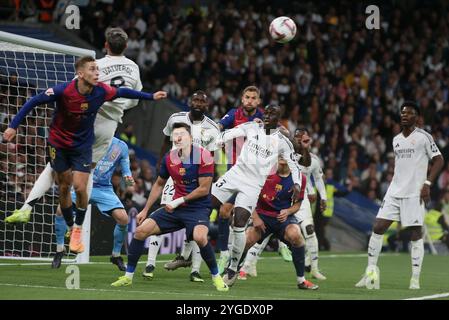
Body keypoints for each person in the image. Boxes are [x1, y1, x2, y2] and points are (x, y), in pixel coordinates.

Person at [3, 56, 167, 254]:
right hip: (59, 145)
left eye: (98, 69)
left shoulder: (101, 91)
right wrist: (13, 126)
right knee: (63, 187)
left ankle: (77, 230)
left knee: (80, 188)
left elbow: (123, 91)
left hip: (82, 147)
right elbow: (34, 101)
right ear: (80, 74)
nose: (97, 73)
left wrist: (150, 96)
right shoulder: (63, 90)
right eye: (92, 69)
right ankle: (66, 225)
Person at [110, 123, 228, 292]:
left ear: (190, 137)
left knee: (200, 237)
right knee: (140, 231)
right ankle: (128, 277)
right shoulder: (169, 157)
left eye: (182, 134)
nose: (178, 137)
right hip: (175, 209)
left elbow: (204, 189)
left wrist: (178, 201)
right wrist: (145, 209)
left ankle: (216, 278)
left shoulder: (204, 156)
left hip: (198, 208)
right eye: (175, 135)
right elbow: (159, 184)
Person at [355, 101, 444, 290]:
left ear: (417, 118)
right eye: (403, 113)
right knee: (378, 226)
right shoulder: (395, 139)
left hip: (414, 193)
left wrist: (427, 183)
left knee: (415, 233)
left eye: (409, 113)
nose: (405, 115)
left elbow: (439, 160)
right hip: (394, 191)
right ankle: (370, 272)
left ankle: (415, 279)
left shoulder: (424, 137)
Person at [211, 104, 303, 287]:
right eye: (266, 112)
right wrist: (217, 141)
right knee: (206, 203)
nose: (268, 115)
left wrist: (298, 184)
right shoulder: (251, 126)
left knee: (239, 223)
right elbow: (227, 134)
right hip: (235, 174)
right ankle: (191, 248)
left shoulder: (282, 141)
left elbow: (294, 165)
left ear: (279, 119)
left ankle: (233, 268)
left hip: (253, 185)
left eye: (273, 114)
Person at [145, 91, 221, 282]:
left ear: (207, 105)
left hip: (197, 179)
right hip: (174, 173)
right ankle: (150, 263)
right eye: (195, 100)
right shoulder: (175, 118)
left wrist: (209, 179)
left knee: (197, 222)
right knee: (163, 211)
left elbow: (210, 157)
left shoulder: (212, 128)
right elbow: (165, 141)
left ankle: (194, 269)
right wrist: (160, 162)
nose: (198, 103)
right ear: (190, 101)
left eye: (202, 101)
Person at [52, 137, 134, 270]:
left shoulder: (121, 146)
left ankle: (116, 255)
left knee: (123, 218)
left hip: (104, 189)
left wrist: (128, 177)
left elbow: (126, 169)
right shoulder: (89, 138)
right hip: (82, 184)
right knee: (60, 210)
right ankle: (60, 250)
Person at [239, 157, 318, 290]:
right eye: (279, 153)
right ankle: (231, 272)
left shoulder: (299, 178)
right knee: (245, 240)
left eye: (285, 153)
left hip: (283, 219)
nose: (282, 156)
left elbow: (298, 203)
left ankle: (301, 280)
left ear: (292, 156)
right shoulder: (263, 172)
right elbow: (249, 196)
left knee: (296, 236)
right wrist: (256, 217)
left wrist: (288, 211)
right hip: (263, 216)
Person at [215, 85, 264, 273]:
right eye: (247, 97)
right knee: (224, 212)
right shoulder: (233, 114)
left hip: (255, 174)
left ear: (258, 101)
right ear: (242, 99)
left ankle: (242, 259)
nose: (250, 100)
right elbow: (219, 127)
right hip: (234, 170)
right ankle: (225, 255)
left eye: (254, 98)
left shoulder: (263, 119)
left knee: (248, 216)